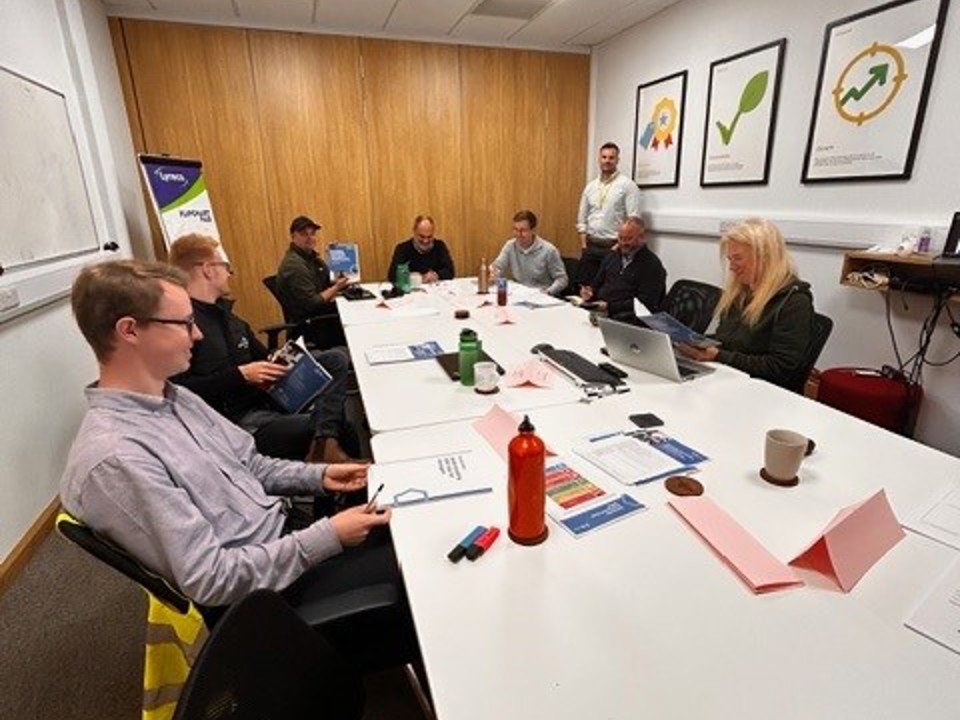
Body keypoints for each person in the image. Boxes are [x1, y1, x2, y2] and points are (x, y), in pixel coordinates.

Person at [60, 260, 416, 669]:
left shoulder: (173, 398)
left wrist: (321, 476)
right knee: (427, 568)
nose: (196, 334)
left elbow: (252, 465)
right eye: (183, 323)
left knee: (417, 523)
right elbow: (212, 579)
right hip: (265, 600)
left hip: (283, 546)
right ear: (130, 331)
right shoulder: (117, 458)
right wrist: (330, 535)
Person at [167, 233, 355, 464]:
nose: (230, 273)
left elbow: (264, 356)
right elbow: (178, 390)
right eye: (226, 266)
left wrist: (283, 358)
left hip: (266, 398)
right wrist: (241, 375)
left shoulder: (229, 318)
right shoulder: (182, 325)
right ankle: (324, 451)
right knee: (344, 429)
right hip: (236, 423)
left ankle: (324, 445)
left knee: (336, 359)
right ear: (208, 269)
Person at [676, 218, 815, 391]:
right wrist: (697, 343)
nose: (732, 267)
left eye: (738, 259)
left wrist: (719, 355)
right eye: (729, 259)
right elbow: (727, 340)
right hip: (731, 379)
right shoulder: (740, 292)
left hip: (764, 393)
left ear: (765, 257)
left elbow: (780, 368)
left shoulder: (794, 301)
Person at [575, 142, 642, 288]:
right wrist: (584, 244)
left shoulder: (627, 186)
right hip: (590, 246)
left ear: (617, 160)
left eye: (611, 157)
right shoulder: (591, 186)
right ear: (599, 159)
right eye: (604, 157)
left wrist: (617, 246)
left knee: (607, 290)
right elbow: (582, 217)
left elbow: (634, 220)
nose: (607, 160)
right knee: (585, 288)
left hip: (613, 247)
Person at [276, 215, 348, 347]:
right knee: (351, 321)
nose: (310, 238)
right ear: (293, 236)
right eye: (304, 234)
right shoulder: (294, 265)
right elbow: (312, 303)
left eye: (313, 234)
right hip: (310, 324)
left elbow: (326, 282)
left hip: (319, 315)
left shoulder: (310, 258)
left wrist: (334, 257)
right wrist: (337, 287)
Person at [579, 216, 665, 318]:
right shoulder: (612, 256)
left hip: (627, 318)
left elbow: (645, 303)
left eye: (629, 239)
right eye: (620, 238)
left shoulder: (651, 265)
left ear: (642, 237)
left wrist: (610, 307)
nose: (624, 243)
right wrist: (589, 292)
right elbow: (597, 284)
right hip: (601, 311)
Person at [491, 210, 568, 296]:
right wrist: (491, 273)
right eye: (515, 230)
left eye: (523, 230)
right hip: (520, 295)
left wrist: (548, 292)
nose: (518, 234)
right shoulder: (510, 246)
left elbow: (562, 279)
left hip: (542, 297)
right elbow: (498, 267)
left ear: (533, 230)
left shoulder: (549, 250)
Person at [387, 215, 455, 285]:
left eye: (429, 237)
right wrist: (418, 278)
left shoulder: (440, 246)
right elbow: (392, 276)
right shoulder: (402, 248)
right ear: (414, 232)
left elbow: (450, 271)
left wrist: (436, 275)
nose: (425, 241)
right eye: (422, 236)